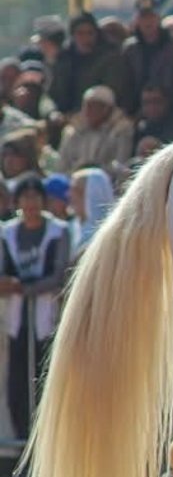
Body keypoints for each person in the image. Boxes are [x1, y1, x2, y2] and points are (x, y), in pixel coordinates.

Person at [0, 174, 70, 443]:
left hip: (45, 319)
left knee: (44, 380)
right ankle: (21, 440)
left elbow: (58, 274)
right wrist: (10, 285)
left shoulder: (58, 231)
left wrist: (26, 288)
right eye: (25, 198)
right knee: (17, 384)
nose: (30, 203)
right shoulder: (6, 233)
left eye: (35, 197)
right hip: (16, 321)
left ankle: (44, 441)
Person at [49, 11, 131, 120]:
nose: (85, 38)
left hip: (100, 117)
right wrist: (52, 112)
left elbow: (111, 93)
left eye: (90, 33)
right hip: (65, 117)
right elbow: (53, 92)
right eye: (80, 33)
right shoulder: (64, 58)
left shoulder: (110, 58)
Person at [57, 84, 135, 176]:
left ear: (106, 109)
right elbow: (62, 167)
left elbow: (120, 166)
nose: (87, 111)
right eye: (85, 106)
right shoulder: (72, 131)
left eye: (92, 107)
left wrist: (93, 172)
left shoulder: (121, 130)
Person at [69, 166, 116, 257]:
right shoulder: (69, 228)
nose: (71, 196)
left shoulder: (109, 234)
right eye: (71, 190)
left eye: (77, 191)